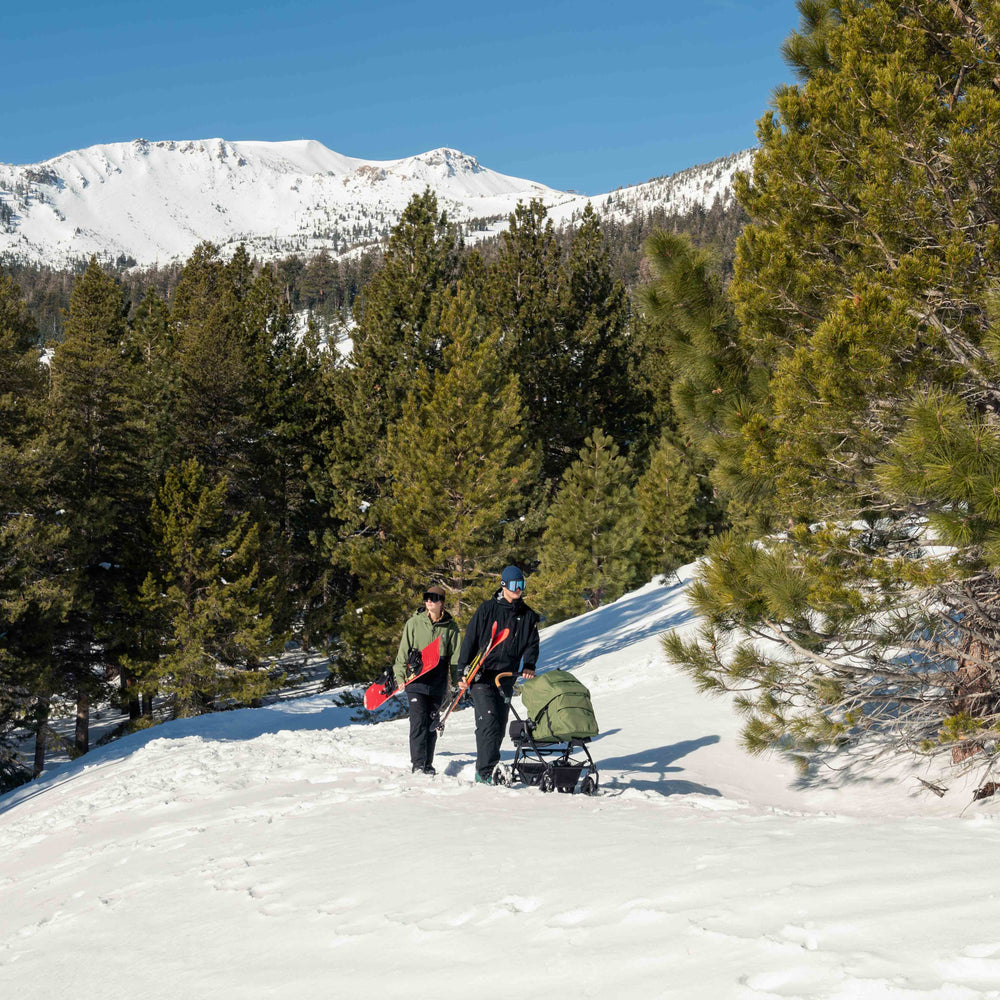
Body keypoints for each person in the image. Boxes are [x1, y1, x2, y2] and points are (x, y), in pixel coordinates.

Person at [456, 565, 540, 784]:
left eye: (522, 585)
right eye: (514, 585)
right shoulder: (487, 609)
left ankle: (491, 766)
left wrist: (529, 664)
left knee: (500, 726)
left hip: (505, 677)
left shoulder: (528, 616)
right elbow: (470, 640)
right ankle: (484, 771)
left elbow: (532, 643)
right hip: (482, 676)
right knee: (488, 722)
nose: (519, 589)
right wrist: (461, 671)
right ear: (503, 585)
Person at [393, 583, 461, 775]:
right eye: (427, 597)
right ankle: (417, 764)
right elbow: (402, 654)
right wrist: (399, 676)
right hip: (416, 681)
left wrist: (457, 684)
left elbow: (455, 659)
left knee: (432, 722)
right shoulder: (413, 624)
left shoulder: (451, 628)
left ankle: (428, 764)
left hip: (437, 683)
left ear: (442, 603)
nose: (429, 600)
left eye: (434, 597)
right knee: (418, 721)